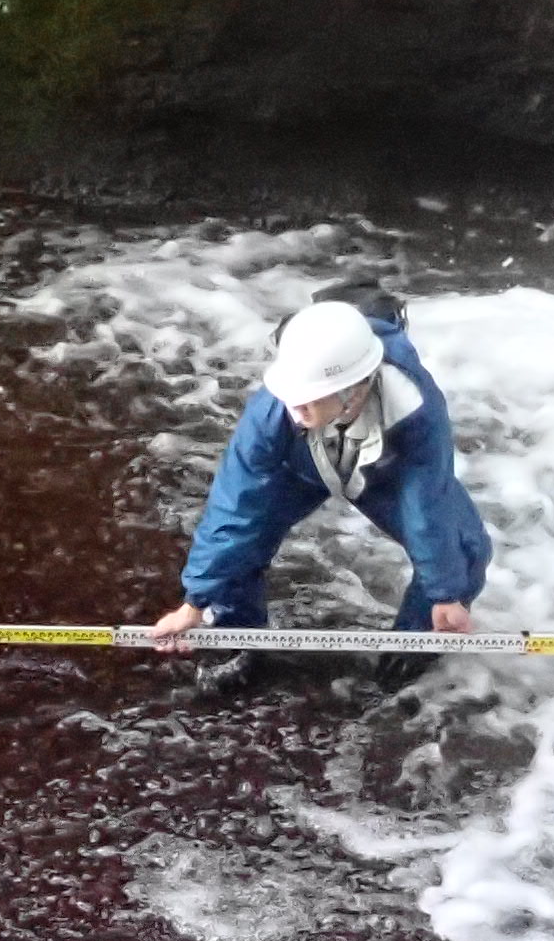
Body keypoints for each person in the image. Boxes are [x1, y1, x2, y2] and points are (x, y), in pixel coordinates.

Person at [152, 282, 490, 671]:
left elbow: (425, 501)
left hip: (385, 468)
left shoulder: (414, 409)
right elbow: (236, 508)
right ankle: (235, 640)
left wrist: (445, 592)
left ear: (356, 389)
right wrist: (195, 602)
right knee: (239, 550)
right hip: (296, 465)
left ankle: (409, 654)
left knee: (464, 552)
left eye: (311, 396)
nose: (296, 407)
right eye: (291, 394)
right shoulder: (272, 415)